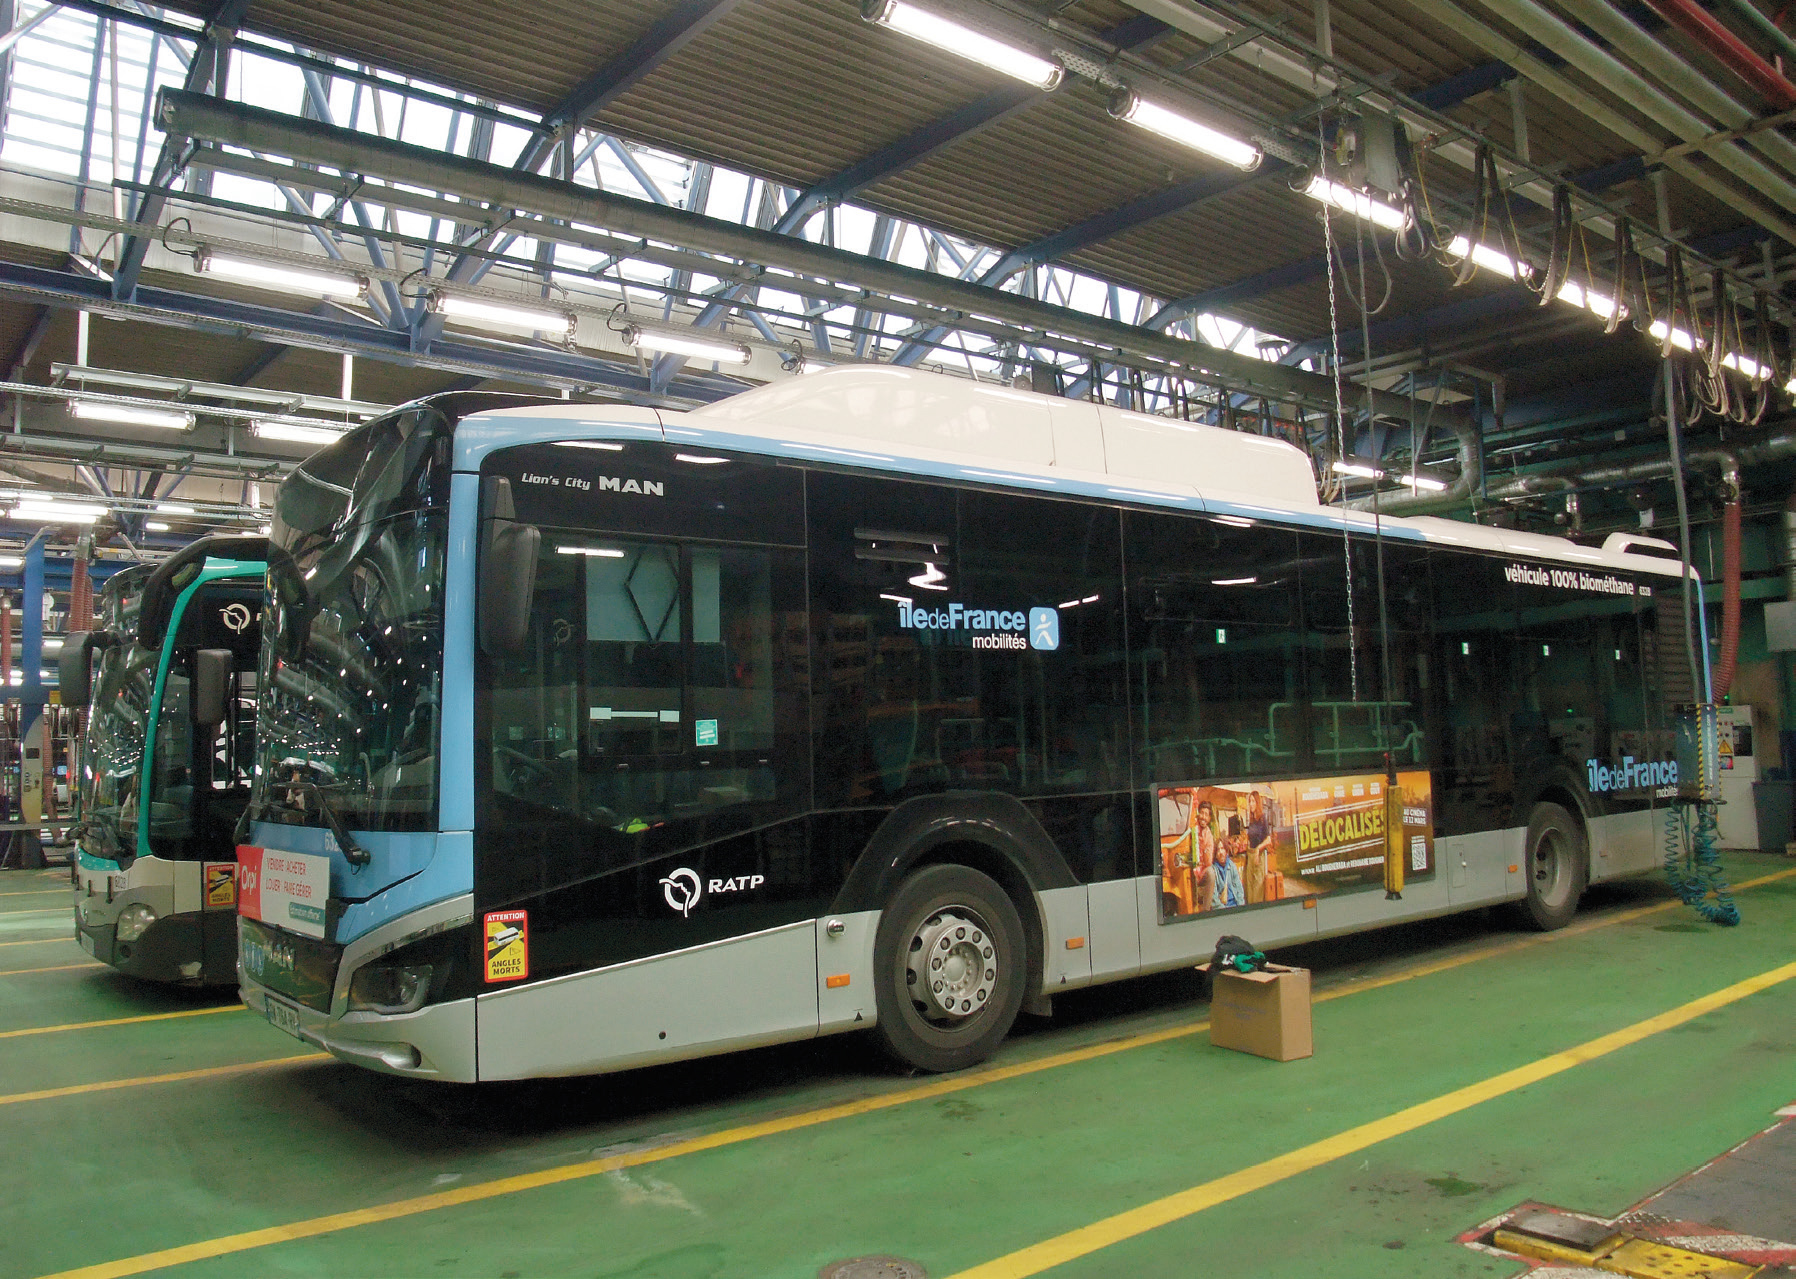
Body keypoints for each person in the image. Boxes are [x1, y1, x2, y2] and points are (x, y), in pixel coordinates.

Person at [1211, 815, 1247, 909]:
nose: (1221, 852)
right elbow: (1214, 899)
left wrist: (1240, 907)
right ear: (1215, 854)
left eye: (1222, 849)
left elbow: (1239, 890)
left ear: (1227, 851)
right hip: (1223, 909)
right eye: (1218, 850)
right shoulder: (1213, 871)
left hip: (1235, 905)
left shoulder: (1232, 866)